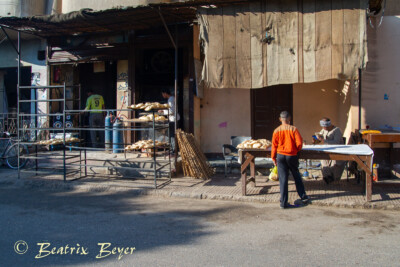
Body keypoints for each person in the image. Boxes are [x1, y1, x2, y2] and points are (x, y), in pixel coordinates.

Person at [271, 111, 310, 209]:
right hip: (292, 155)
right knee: (296, 175)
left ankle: (283, 202)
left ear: (280, 119)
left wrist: (273, 158)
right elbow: (299, 144)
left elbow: (274, 146)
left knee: (283, 179)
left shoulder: (276, 130)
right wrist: (295, 150)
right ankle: (303, 196)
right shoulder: (294, 129)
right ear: (290, 119)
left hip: (280, 156)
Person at [315, 117, 345, 184]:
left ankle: (334, 178)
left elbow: (336, 142)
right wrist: (317, 139)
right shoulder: (323, 130)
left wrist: (324, 140)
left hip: (337, 152)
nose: (323, 128)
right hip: (327, 151)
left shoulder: (337, 130)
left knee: (335, 164)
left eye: (325, 127)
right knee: (323, 161)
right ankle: (327, 177)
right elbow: (320, 137)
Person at [160, 88, 180, 152]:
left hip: (173, 119)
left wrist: (163, 111)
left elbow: (171, 111)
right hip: (174, 118)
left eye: (163, 94)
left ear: (165, 93)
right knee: (172, 134)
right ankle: (172, 148)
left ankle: (174, 149)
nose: (162, 95)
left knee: (172, 135)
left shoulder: (171, 99)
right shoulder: (172, 98)